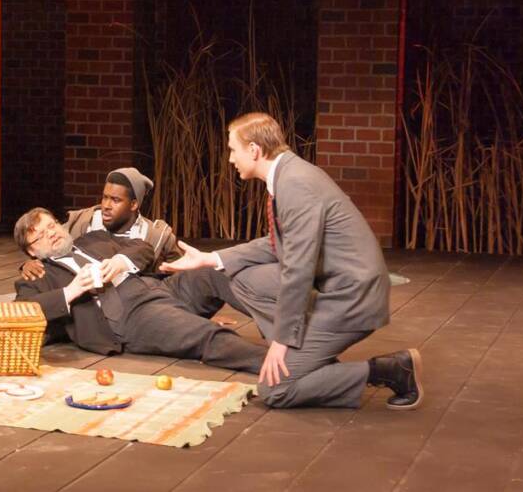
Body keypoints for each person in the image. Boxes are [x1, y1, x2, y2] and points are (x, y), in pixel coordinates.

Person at [161, 112, 424, 410]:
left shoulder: (295, 183)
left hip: (350, 298)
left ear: (254, 150)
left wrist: (282, 341)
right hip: (333, 286)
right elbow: (279, 246)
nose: (231, 159)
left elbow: (298, 270)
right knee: (230, 274)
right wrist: (211, 258)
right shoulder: (288, 175)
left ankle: (390, 371)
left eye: (233, 150)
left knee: (275, 390)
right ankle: (304, 355)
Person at [13, 208, 266, 373]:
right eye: (40, 235)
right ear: (32, 251)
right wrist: (71, 290)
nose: (51, 234)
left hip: (160, 288)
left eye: (52, 226)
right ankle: (277, 364)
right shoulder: (37, 276)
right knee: (201, 333)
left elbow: (142, 247)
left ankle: (284, 327)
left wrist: (121, 261)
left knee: (214, 272)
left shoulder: (93, 239)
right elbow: (20, 313)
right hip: (129, 314)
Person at [20, 167, 181, 280]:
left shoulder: (155, 236)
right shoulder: (84, 222)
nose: (106, 206)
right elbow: (46, 244)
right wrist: (28, 264)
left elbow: (179, 272)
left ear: (133, 204)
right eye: (105, 197)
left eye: (116, 200)